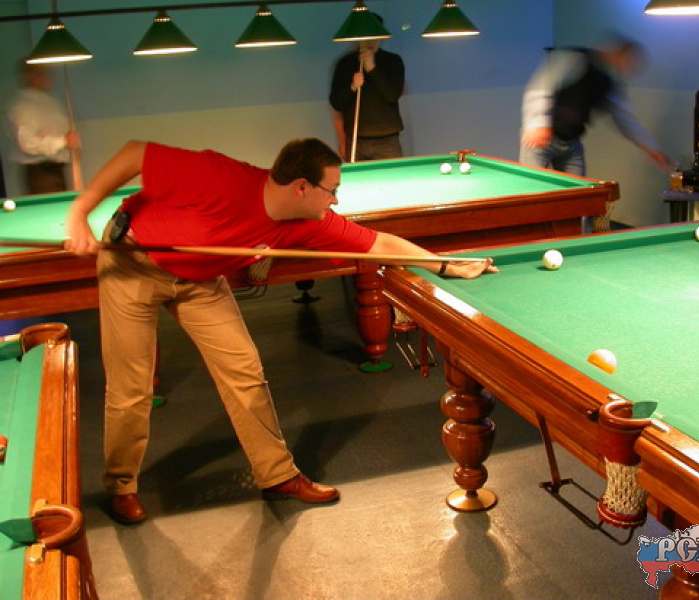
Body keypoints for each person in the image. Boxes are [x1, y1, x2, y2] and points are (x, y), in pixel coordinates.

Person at [64, 138, 495, 524]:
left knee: (245, 373)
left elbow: (376, 242)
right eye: (332, 190)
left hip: (200, 278)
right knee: (131, 386)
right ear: (301, 187)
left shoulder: (309, 222)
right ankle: (121, 486)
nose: (336, 200)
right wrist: (79, 214)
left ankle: (277, 476)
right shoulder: (221, 176)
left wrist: (444, 264)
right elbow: (134, 153)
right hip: (133, 260)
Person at [519, 36, 671, 176]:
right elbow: (541, 88)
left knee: (579, 192)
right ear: (618, 53)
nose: (630, 67)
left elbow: (625, 118)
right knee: (532, 189)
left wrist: (650, 148)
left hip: (571, 143)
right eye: (629, 61)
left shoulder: (608, 82)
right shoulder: (574, 58)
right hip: (540, 140)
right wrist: (538, 125)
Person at [329, 15, 405, 161]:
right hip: (356, 140)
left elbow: (392, 95)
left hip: (387, 141)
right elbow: (336, 103)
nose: (371, 41)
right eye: (366, 37)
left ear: (381, 37)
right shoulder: (345, 63)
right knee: (357, 176)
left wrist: (371, 69)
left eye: (375, 36)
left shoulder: (393, 61)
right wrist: (352, 87)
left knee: (391, 175)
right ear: (358, 38)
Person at [7, 61, 80, 194]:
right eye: (40, 74)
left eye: (46, 73)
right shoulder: (23, 106)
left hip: (58, 169)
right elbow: (28, 143)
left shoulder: (52, 102)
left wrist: (73, 148)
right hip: (41, 172)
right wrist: (63, 141)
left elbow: (67, 133)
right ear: (28, 76)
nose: (46, 77)